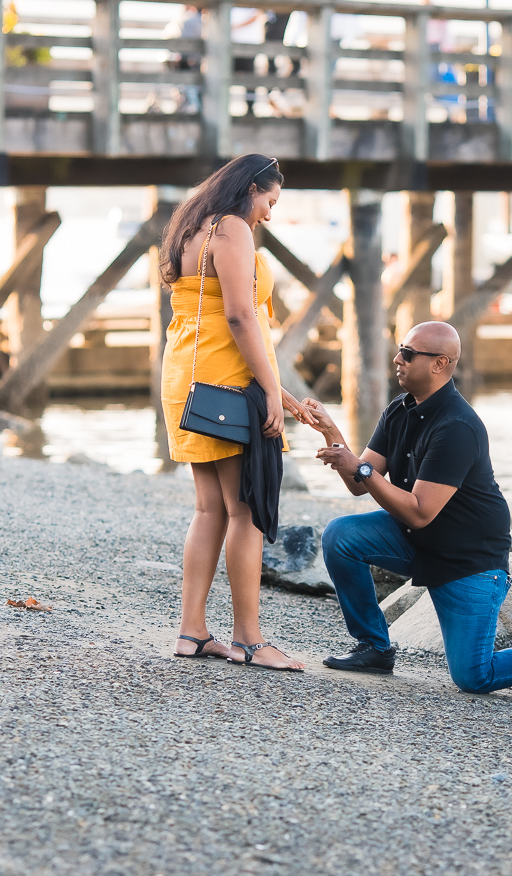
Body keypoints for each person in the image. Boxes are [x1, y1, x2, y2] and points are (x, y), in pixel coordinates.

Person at [300, 321, 512, 707]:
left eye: (408, 354)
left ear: (440, 363)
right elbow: (360, 483)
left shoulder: (458, 426)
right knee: (342, 536)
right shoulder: (399, 411)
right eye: (399, 350)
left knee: (474, 676)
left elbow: (420, 510)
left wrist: (357, 466)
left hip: (467, 560)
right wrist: (332, 434)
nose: (397, 359)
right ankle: (374, 647)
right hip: (416, 538)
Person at [159, 154, 317, 671]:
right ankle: (249, 639)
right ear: (250, 188)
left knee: (210, 508)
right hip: (224, 376)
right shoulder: (231, 228)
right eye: (269, 201)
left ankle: (192, 633)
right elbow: (239, 315)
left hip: (191, 373)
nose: (269, 214)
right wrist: (271, 393)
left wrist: (283, 394)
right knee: (245, 509)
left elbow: (216, 315)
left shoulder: (193, 226)